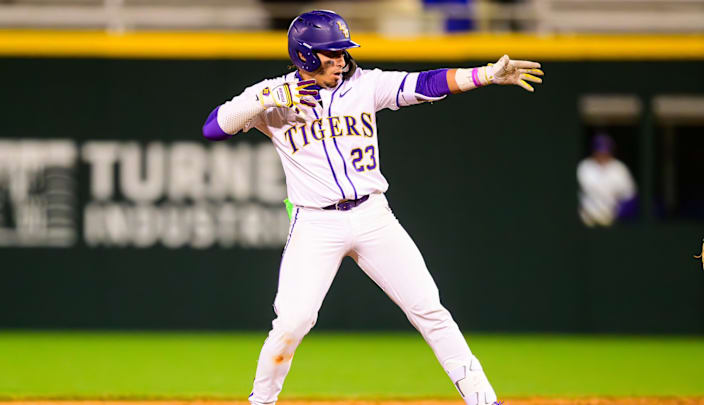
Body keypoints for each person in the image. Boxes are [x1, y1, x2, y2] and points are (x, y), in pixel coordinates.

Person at [202, 10, 543, 405]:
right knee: (293, 321)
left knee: (428, 308)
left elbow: (425, 83)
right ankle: (261, 401)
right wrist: (262, 100)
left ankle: (483, 399)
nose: (341, 60)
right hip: (315, 224)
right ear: (305, 55)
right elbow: (213, 128)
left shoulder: (364, 85)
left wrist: (484, 74)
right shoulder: (273, 95)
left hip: (372, 216)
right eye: (331, 54)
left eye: (342, 52)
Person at [577, 134, 637, 227]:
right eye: (599, 151)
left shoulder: (619, 168)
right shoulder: (584, 167)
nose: (602, 155)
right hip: (586, 220)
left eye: (605, 152)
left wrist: (619, 214)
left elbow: (629, 195)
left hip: (611, 220)